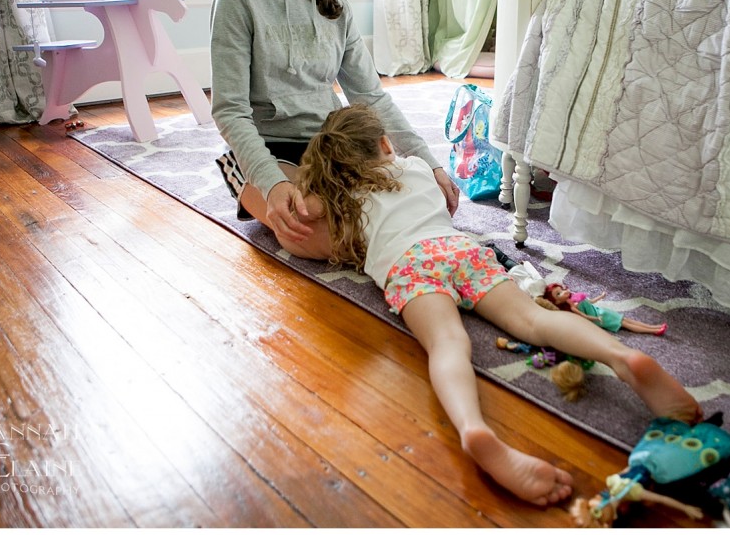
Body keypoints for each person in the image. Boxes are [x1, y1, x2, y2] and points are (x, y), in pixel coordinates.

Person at [295, 103, 703, 507]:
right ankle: (621, 357)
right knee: (532, 320)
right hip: (459, 250)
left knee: (448, 344)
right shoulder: (417, 169)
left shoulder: (343, 201)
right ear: (384, 143)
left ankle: (473, 429)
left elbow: (306, 216)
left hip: (410, 266)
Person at [209, 0, 459, 260]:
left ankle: (433, 263)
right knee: (320, 233)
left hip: (331, 146)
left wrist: (429, 161)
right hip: (268, 150)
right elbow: (230, 110)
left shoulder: (337, 9)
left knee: (412, 196)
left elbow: (370, 97)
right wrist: (273, 184)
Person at [539, 284, 668, 336]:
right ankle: (653, 331)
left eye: (561, 290)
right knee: (626, 324)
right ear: (556, 302)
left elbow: (589, 302)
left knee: (626, 320)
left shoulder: (574, 299)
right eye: (559, 294)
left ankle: (654, 327)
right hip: (600, 317)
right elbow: (584, 316)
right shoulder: (572, 307)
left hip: (600, 310)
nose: (564, 292)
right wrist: (596, 318)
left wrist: (600, 296)